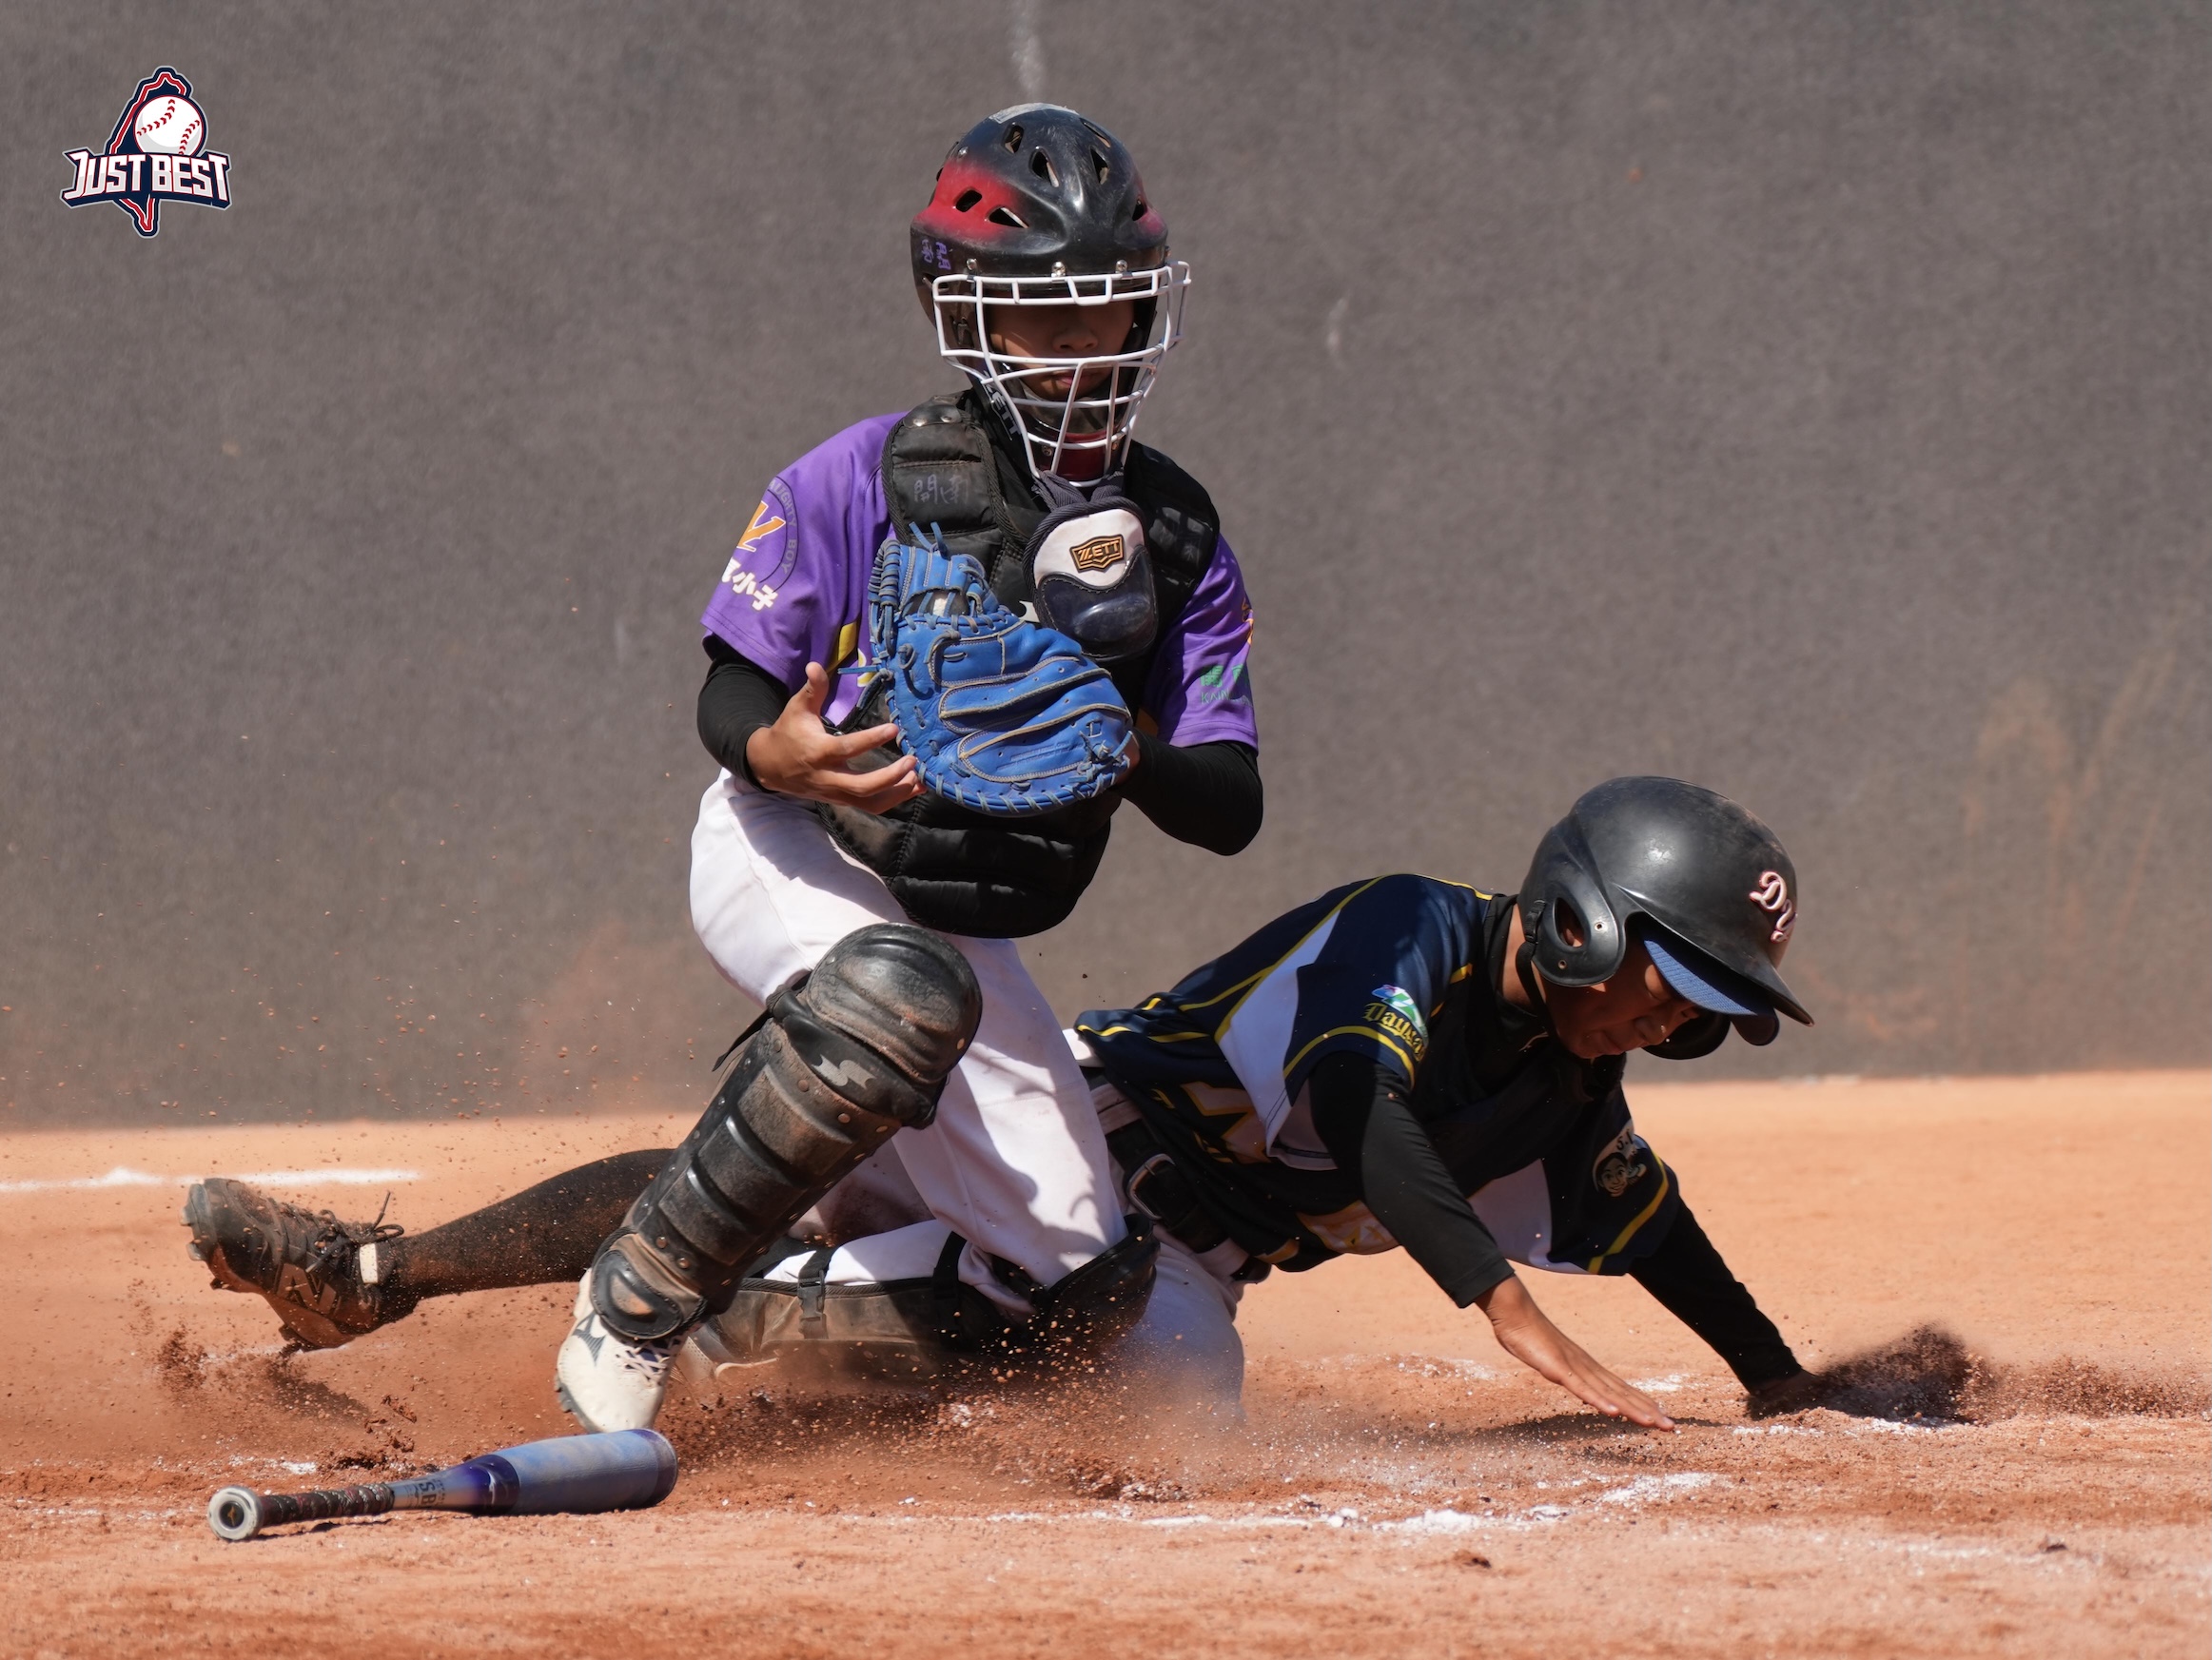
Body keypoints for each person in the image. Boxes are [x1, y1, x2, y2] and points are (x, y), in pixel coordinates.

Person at [186, 103, 1263, 1435]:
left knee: (1093, 1306)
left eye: (1106, 309)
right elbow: (732, 690)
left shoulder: (1175, 535)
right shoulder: (868, 476)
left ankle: (369, 1279)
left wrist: (1120, 732)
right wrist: (782, 752)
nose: (1082, 347)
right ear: (966, 312)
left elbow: (1229, 808)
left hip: (957, 924)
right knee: (893, 1001)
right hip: (795, 844)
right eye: (1043, 315)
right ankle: (636, 1304)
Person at [186, 777, 1830, 1427]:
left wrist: (1779, 1379)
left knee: (1173, 1399)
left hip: (1163, 1265)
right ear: (1580, 916)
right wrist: (1509, 1313)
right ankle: (371, 1274)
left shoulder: (1563, 1086)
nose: (1686, 1013)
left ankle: (727, 1349)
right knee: (793, 1161)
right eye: (1677, 971)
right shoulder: (1414, 931)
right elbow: (1359, 1106)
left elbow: (1653, 1224)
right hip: (1058, 1126)